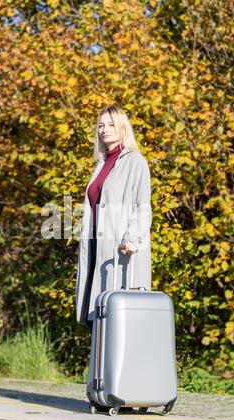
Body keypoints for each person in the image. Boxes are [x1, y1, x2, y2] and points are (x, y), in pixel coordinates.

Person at [75, 105, 152, 328]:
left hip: (121, 249)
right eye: (100, 125)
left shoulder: (136, 162)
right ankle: (101, 364)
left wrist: (133, 239)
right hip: (95, 246)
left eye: (110, 125)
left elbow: (142, 206)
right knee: (97, 317)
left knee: (117, 320)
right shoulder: (101, 164)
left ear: (122, 128)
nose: (104, 129)